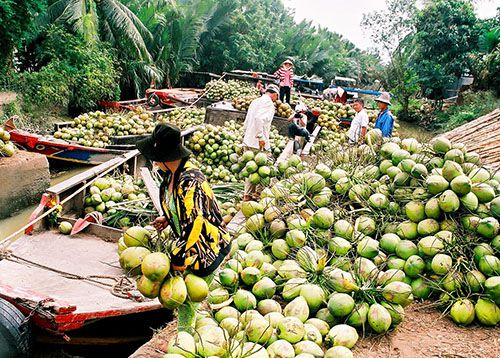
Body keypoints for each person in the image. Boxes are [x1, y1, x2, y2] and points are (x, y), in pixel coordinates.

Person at [136, 123, 231, 330]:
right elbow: (181, 208)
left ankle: (183, 339)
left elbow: (195, 222)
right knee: (186, 296)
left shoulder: (191, 181)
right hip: (190, 246)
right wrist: (168, 218)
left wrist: (178, 257)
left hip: (208, 246)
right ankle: (186, 332)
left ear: (163, 155)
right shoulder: (171, 175)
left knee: (187, 301)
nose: (152, 160)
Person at [242, 84, 279, 201]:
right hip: (258, 142)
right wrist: (260, 137)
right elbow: (259, 119)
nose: (276, 99)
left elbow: (247, 120)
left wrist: (245, 135)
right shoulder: (268, 103)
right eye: (277, 97)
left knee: (251, 169)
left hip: (248, 140)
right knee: (265, 168)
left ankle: (247, 195)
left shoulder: (255, 101)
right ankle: (258, 194)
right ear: (274, 94)